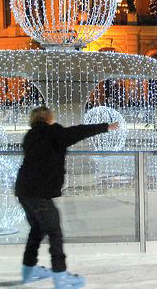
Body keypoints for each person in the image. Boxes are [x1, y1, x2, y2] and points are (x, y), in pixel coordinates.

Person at [14, 106, 118, 288]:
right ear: (49, 118)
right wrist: (105, 127)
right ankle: (60, 276)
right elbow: (78, 132)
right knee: (54, 231)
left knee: (37, 229)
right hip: (39, 193)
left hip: (23, 191)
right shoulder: (53, 133)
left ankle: (28, 271)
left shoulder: (30, 136)